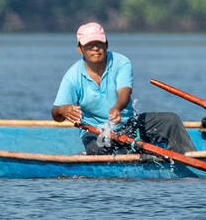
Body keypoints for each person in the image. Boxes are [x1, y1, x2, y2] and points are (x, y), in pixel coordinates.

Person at [51, 22, 197, 156]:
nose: (95, 48)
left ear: (106, 45)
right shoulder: (72, 76)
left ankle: (190, 160)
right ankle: (136, 155)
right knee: (97, 148)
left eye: (99, 44)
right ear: (80, 49)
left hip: (128, 125)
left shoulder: (121, 62)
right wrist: (62, 110)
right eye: (89, 45)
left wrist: (117, 108)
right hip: (96, 132)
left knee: (171, 120)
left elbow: (124, 92)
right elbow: (55, 113)